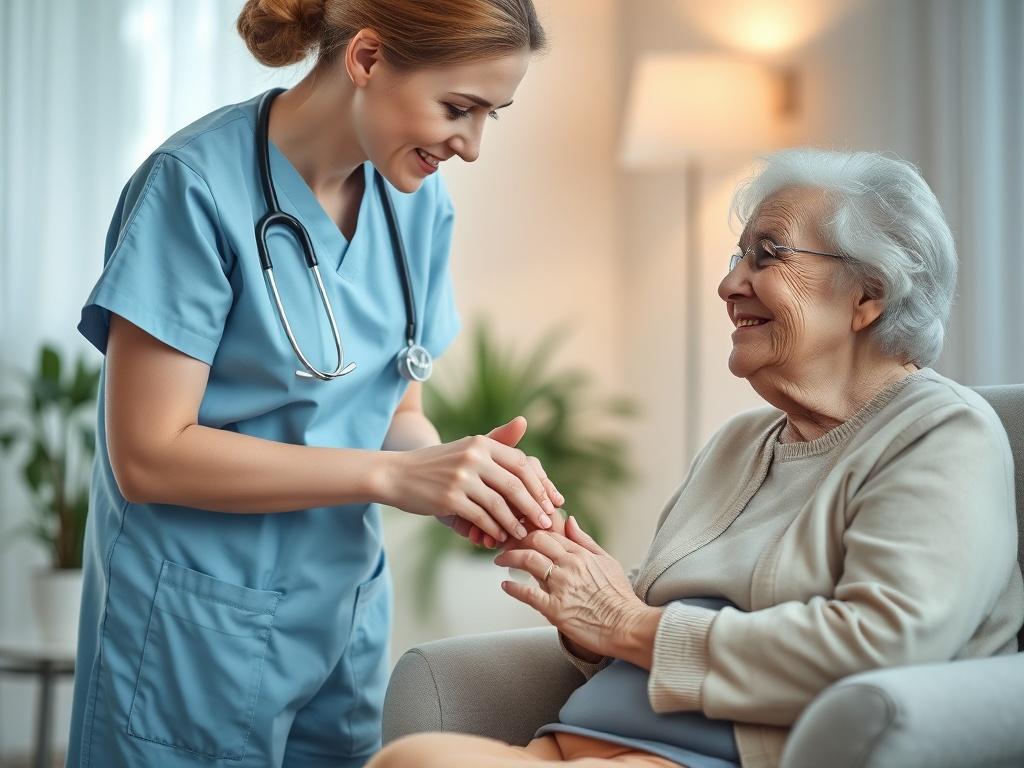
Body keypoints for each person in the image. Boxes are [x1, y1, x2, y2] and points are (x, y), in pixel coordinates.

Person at [371, 149, 1024, 768]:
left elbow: (882, 645)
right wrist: (580, 589)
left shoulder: (942, 436)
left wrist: (628, 621)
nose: (728, 284)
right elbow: (647, 639)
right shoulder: (741, 442)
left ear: (868, 294)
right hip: (577, 743)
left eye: (767, 256)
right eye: (738, 256)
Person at [67, 1, 555, 766]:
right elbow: (149, 455)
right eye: (458, 109)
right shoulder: (193, 188)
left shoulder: (416, 204)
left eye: (492, 115)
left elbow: (396, 407)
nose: (472, 146)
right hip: (194, 625)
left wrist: (454, 476)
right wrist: (396, 475)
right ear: (365, 59)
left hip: (342, 615)